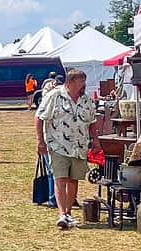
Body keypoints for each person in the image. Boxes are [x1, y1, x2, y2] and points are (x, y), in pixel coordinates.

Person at [35, 68, 100, 231]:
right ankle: (62, 214)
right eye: (80, 81)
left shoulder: (86, 99)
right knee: (60, 178)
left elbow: (92, 122)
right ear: (70, 82)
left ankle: (69, 212)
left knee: (73, 179)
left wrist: (96, 141)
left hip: (79, 146)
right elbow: (40, 117)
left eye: (84, 81)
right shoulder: (55, 96)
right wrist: (40, 142)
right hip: (58, 144)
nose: (84, 85)